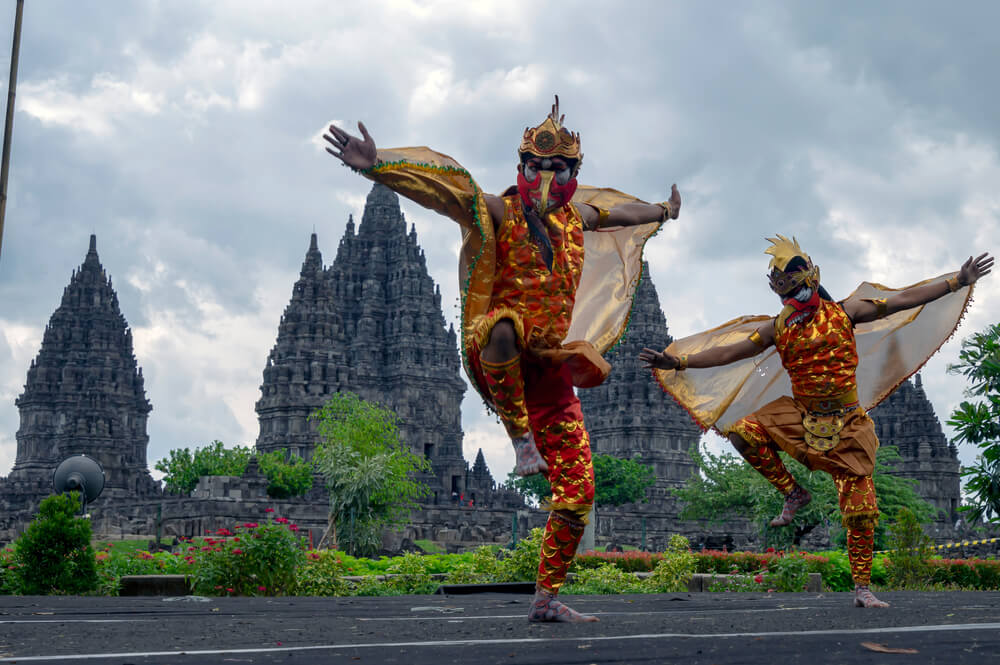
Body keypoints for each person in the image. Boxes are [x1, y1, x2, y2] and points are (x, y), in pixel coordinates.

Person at [325, 96, 681, 622]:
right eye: (534, 166)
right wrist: (380, 166)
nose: (543, 177)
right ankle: (519, 440)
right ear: (521, 167)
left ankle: (546, 597)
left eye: (556, 168)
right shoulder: (499, 210)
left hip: (548, 369)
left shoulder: (575, 219)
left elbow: (622, 214)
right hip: (495, 349)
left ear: (573, 173)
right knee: (506, 325)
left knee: (578, 493)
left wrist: (664, 212)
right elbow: (447, 189)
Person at [640, 235, 992, 608]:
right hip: (800, 418)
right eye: (782, 292)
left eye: (795, 286)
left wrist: (957, 280)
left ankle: (861, 588)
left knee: (860, 510)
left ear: (811, 278)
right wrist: (680, 362)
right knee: (741, 434)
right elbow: (731, 351)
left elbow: (902, 300)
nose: (790, 298)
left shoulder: (845, 312)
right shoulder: (778, 328)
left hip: (848, 425)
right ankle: (793, 492)